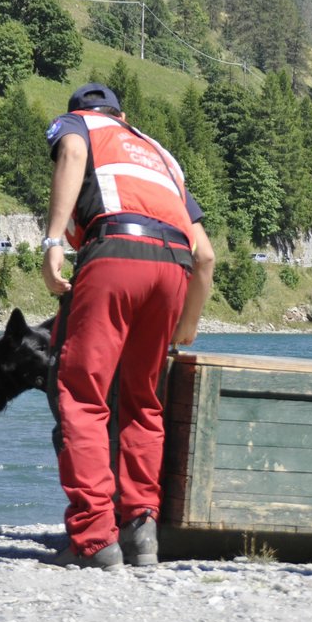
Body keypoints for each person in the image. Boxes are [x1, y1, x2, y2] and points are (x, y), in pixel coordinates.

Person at [41, 83, 215, 570]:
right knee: (143, 399)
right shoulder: (162, 155)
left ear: (80, 111)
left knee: (83, 395)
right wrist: (187, 324)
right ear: (123, 114)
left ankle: (94, 539)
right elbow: (207, 255)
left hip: (116, 250)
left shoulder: (78, 127)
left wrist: (53, 240)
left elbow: (72, 151)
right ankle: (142, 533)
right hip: (174, 267)